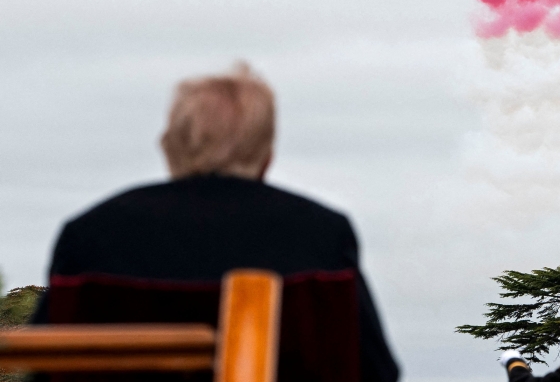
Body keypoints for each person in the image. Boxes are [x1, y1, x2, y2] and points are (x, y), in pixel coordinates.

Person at [35, 63, 400, 382]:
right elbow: (375, 371)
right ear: (266, 158)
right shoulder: (321, 237)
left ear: (169, 147)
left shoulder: (88, 237)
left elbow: (43, 366)